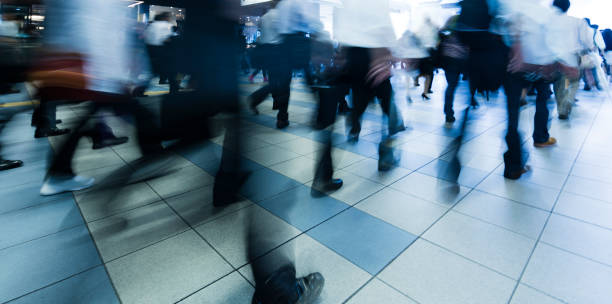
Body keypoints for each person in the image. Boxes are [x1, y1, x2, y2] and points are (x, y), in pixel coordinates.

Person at [335, 0, 405, 171]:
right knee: (387, 103)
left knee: (360, 96)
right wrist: (392, 50)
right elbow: (384, 24)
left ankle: (354, 128)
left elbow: (343, 29)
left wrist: (343, 55)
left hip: (355, 54)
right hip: (375, 53)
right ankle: (385, 156)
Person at [272, 0, 323, 129]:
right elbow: (310, 21)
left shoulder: (282, 4)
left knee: (284, 81)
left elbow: (277, 26)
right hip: (299, 42)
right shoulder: (299, 1)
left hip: (283, 42)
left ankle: (282, 118)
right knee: (309, 78)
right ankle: (320, 114)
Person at [547, 0, 594, 120]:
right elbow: (586, 40)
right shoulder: (578, 22)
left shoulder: (548, 22)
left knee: (558, 84)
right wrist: (590, 48)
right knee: (574, 82)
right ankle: (568, 100)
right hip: (573, 56)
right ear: (568, 7)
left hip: (554, 57)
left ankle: (561, 109)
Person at [439, 15, 469, 123]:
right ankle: (471, 102)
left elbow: (440, 33)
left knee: (451, 86)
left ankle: (448, 112)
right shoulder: (465, 23)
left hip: (448, 59)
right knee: (468, 83)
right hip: (461, 59)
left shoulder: (450, 22)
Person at [144, 12, 174, 86]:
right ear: (165, 18)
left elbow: (146, 37)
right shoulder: (166, 25)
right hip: (161, 48)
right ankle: (172, 87)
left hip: (150, 48)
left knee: (154, 69)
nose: (170, 19)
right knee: (169, 67)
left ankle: (141, 89)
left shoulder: (152, 25)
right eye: (169, 17)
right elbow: (166, 39)